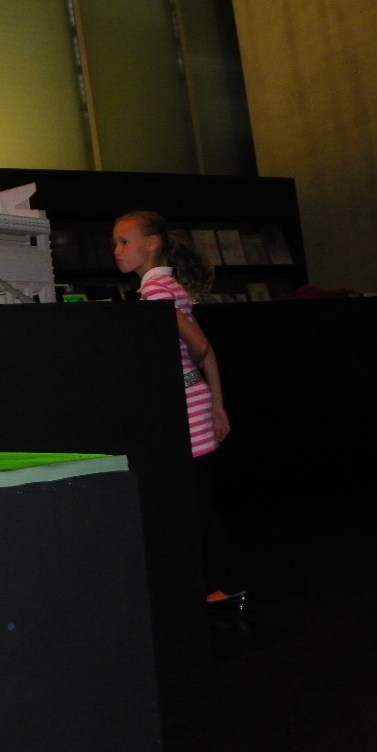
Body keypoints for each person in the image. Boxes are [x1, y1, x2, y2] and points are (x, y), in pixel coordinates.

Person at [113, 210, 246, 608]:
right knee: (195, 500)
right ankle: (223, 580)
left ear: (151, 244)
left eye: (124, 242)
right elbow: (206, 353)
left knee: (191, 502)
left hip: (184, 407)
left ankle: (228, 582)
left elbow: (200, 346)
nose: (117, 251)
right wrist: (218, 404)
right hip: (195, 400)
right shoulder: (168, 285)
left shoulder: (156, 291)